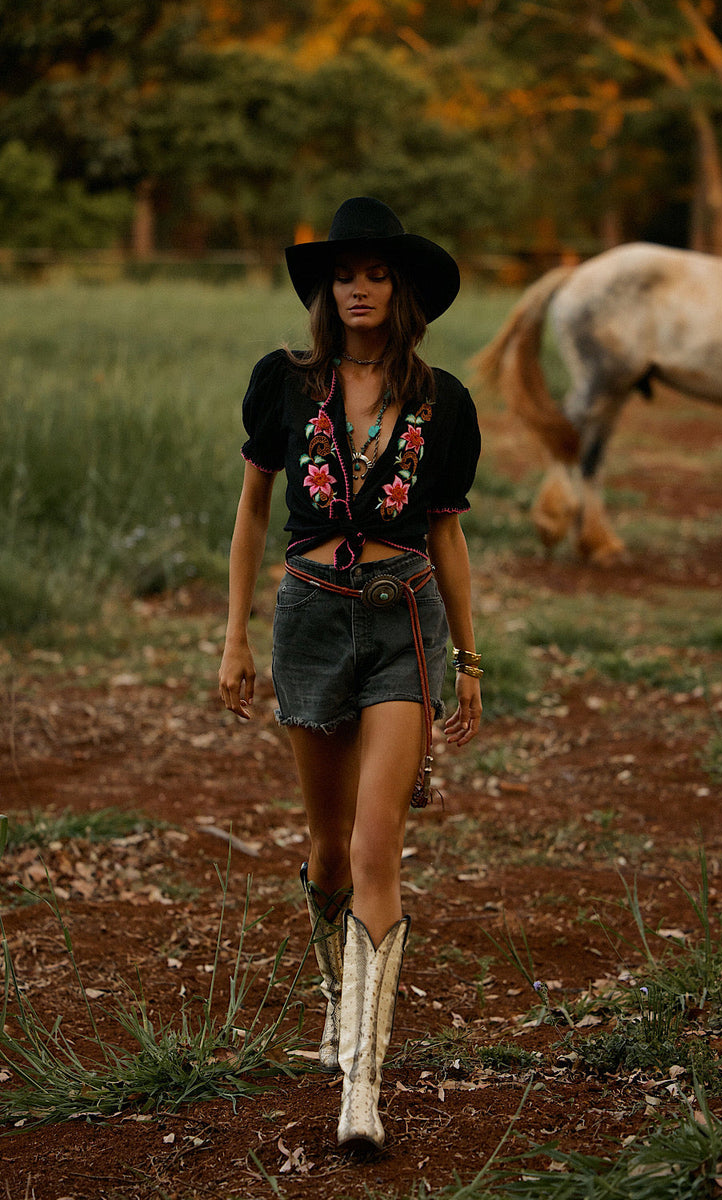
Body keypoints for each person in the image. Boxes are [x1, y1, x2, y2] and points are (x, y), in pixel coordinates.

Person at [218, 196, 482, 1150]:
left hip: (405, 622)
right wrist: (234, 638)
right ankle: (338, 1000)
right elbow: (253, 511)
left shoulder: (442, 400)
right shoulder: (283, 384)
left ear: (401, 288)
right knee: (328, 852)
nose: (359, 287)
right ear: (327, 290)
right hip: (309, 621)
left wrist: (471, 656)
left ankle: (360, 1090)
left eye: (376, 273)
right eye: (345, 274)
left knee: (378, 853)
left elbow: (447, 532)